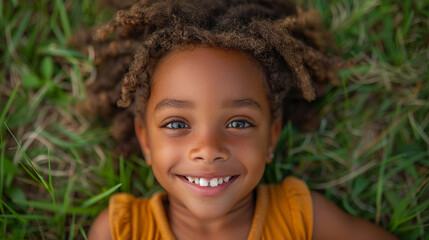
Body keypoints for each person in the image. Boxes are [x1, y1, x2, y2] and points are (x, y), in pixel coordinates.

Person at [80, 0, 397, 239]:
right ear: (145, 140)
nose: (208, 148)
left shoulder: (298, 215)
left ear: (271, 135)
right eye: (177, 124)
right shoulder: (120, 230)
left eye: (239, 123)